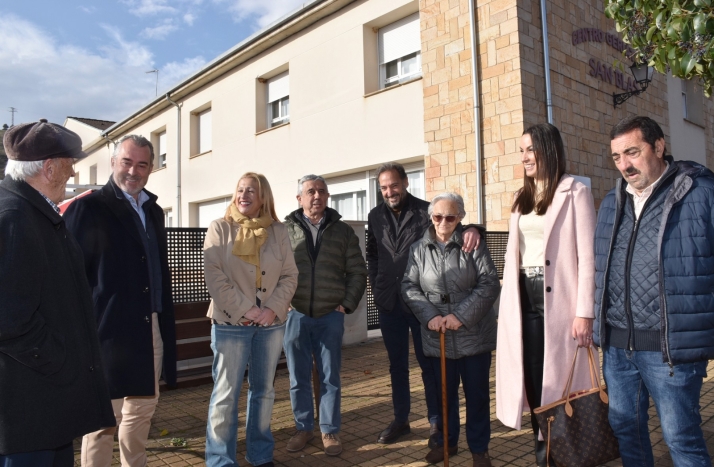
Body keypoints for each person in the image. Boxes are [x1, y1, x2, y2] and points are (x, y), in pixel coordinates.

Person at [594, 116, 714, 466]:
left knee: (681, 437)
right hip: (617, 348)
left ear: (659, 146)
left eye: (632, 152)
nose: (624, 165)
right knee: (625, 429)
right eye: (617, 157)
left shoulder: (700, 193)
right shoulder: (611, 202)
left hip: (670, 349)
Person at [0, 120, 115, 466]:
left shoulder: (34, 214)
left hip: (46, 406)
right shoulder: (15, 218)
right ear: (49, 168)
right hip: (30, 411)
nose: (73, 173)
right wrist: (60, 360)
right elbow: (8, 319)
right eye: (69, 165)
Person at [63, 134, 178, 467]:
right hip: (107, 331)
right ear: (113, 162)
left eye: (142, 164)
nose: (134, 171)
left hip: (150, 326)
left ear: (151, 168)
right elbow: (73, 278)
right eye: (127, 162)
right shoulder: (88, 208)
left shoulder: (153, 210)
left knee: (141, 413)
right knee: (102, 421)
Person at [495, 123, 596, 467]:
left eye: (530, 149)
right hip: (524, 297)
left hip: (560, 301)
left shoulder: (574, 191)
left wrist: (585, 312)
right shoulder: (521, 198)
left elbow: (588, 257)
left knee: (560, 382)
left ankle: (562, 454)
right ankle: (543, 455)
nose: (524, 157)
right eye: (521, 150)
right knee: (532, 379)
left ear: (549, 150)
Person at [367, 163, 481, 445]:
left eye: (394, 185)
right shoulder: (374, 215)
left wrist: (476, 229)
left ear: (405, 182)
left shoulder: (424, 211)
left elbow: (453, 226)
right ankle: (401, 419)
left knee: (428, 364)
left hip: (421, 304)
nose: (389, 191)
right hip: (389, 301)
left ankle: (436, 422)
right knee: (396, 366)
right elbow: (372, 253)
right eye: (384, 187)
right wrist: (376, 283)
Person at [203, 172, 298, 467]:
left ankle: (260, 456)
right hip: (231, 325)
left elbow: (289, 275)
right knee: (225, 395)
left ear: (263, 199)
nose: (244, 195)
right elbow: (215, 276)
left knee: (264, 392)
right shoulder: (220, 228)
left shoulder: (278, 231)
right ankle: (220, 460)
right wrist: (248, 309)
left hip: (270, 325)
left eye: (251, 191)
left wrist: (272, 309)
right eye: (240, 190)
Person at [402, 192, 499, 467]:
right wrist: (429, 316)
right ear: (430, 217)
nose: (443, 222)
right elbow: (409, 286)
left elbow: (489, 284)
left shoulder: (473, 244)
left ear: (460, 218)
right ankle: (447, 441)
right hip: (437, 334)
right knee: (443, 395)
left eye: (450, 216)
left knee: (477, 395)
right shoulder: (418, 249)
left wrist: (460, 315)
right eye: (437, 216)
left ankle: (479, 449)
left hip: (473, 334)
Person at [283, 175, 367, 456]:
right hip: (296, 315)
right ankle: (303, 428)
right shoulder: (284, 230)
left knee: (330, 376)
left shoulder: (342, 231)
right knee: (298, 376)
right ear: (299, 199)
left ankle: (329, 430)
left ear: (327, 196)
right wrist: (282, 303)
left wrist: (346, 303)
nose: (316, 196)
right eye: (310, 191)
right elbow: (273, 270)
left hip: (331, 315)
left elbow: (358, 270)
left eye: (321, 191)